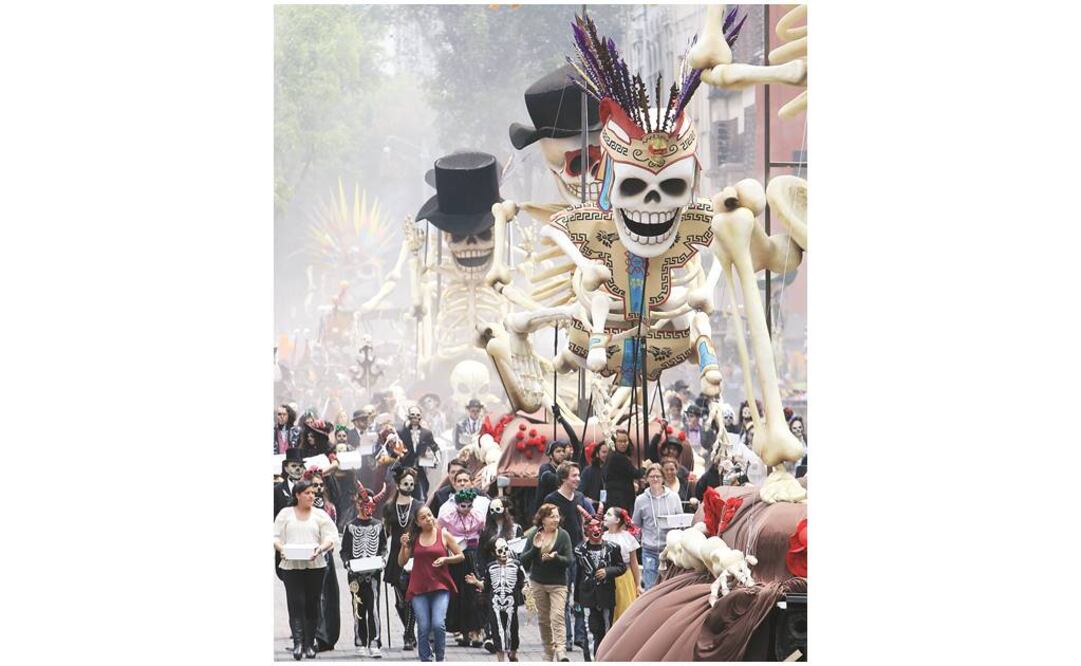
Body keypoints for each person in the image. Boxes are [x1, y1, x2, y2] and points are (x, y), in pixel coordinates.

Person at [274, 479, 339, 661]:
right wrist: (282, 550)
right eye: (307, 493)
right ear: (297, 495)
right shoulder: (285, 514)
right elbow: (275, 536)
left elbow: (331, 536)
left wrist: (321, 548)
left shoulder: (319, 515)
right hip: (292, 566)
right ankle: (298, 643)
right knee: (296, 603)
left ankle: (310, 643)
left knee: (312, 603)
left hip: (315, 564)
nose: (312, 496)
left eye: (313, 493)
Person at [399, 505, 466, 662]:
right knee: (423, 627)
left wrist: (446, 559)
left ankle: (440, 657)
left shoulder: (443, 534)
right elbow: (402, 562)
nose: (429, 519)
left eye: (430, 515)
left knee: (438, 624)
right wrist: (403, 546)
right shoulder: (414, 538)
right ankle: (425, 659)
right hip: (418, 588)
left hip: (440, 586)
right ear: (417, 522)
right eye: (423, 517)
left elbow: (460, 555)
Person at [542, 462, 593, 653]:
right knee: (562, 595)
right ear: (564, 478)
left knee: (580, 594)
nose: (578, 479)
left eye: (578, 475)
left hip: (579, 551)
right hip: (561, 553)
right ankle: (566, 637)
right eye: (574, 475)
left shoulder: (580, 498)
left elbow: (590, 521)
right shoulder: (551, 499)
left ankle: (580, 634)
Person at [340, 481, 388, 657]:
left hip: (373, 575)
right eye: (362, 503)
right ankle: (360, 641)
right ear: (357, 503)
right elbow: (344, 550)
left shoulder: (379, 525)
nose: (366, 508)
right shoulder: (350, 526)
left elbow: (383, 546)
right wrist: (347, 563)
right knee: (358, 608)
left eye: (369, 505)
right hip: (355, 576)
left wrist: (382, 560)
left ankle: (375, 642)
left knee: (373, 608)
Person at [520, 503, 573, 662]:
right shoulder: (533, 535)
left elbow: (569, 560)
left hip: (558, 584)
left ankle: (561, 650)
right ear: (542, 519)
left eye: (557, 516)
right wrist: (535, 548)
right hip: (538, 582)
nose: (556, 519)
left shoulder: (563, 535)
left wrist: (555, 557)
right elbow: (523, 561)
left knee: (557, 615)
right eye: (552, 516)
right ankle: (548, 652)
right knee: (543, 620)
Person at [572, 506, 626, 659]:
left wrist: (608, 572)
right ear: (586, 530)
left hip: (606, 596)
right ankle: (589, 659)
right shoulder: (579, 551)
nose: (595, 529)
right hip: (587, 596)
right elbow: (578, 575)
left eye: (598, 526)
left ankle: (605, 658)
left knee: (607, 630)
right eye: (591, 527)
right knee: (590, 630)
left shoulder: (613, 548)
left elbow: (622, 567)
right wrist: (576, 599)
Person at [438, 488, 487, 647]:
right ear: (457, 505)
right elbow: (439, 529)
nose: (466, 509)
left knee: (474, 593)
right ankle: (462, 631)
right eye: (463, 506)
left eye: (469, 505)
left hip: (472, 556)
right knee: (457, 593)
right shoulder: (449, 516)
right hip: (456, 557)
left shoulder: (477, 516)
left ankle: (477, 631)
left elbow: (483, 530)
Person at [382, 466, 423, 651]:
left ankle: (408, 634)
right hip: (395, 554)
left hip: (414, 554)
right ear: (398, 485)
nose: (409, 486)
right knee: (400, 599)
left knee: (411, 596)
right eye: (405, 483)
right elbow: (385, 533)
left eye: (412, 484)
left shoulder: (419, 505)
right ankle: (409, 631)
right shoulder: (389, 507)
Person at [301, 468, 341, 652]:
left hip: (324, 556)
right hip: (305, 556)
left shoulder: (328, 507)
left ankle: (325, 636)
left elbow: (332, 533)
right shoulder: (299, 507)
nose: (317, 488)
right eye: (313, 485)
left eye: (319, 485)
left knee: (325, 598)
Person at [471, 538, 525, 662]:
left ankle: (512, 652)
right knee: (496, 629)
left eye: (506, 549)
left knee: (512, 629)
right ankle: (500, 659)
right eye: (500, 550)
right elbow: (487, 586)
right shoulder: (490, 567)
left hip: (511, 603)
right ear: (494, 552)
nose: (504, 553)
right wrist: (476, 582)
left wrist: (526, 590)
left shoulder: (516, 565)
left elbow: (523, 581)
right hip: (494, 603)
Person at [632, 463, 683, 590]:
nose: (655, 479)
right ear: (647, 479)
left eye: (658, 476)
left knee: (669, 587)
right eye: (652, 476)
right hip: (649, 550)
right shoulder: (640, 500)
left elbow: (681, 522)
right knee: (651, 587)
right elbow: (636, 525)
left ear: (663, 478)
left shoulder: (674, 497)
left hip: (669, 550)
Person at [601, 507, 641, 620]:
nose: (605, 516)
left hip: (624, 577)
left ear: (617, 520)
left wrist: (637, 584)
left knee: (625, 609)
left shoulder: (627, 537)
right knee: (608, 612)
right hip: (607, 576)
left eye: (609, 514)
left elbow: (634, 562)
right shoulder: (602, 537)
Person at [398, 406, 437, 501]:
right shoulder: (401, 432)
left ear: (421, 417)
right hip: (405, 467)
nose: (415, 417)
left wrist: (434, 459)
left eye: (417, 415)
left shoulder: (426, 433)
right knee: (404, 491)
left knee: (423, 490)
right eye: (412, 415)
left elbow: (434, 447)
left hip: (420, 467)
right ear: (408, 417)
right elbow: (396, 450)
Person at [602, 427, 644, 514]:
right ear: (614, 442)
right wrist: (645, 467)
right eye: (620, 441)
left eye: (625, 441)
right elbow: (636, 474)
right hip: (620, 499)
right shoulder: (617, 457)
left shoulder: (614, 456)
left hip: (620, 498)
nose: (623, 444)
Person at [533, 440, 569, 516]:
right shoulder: (545, 468)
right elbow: (548, 477)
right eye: (558, 451)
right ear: (550, 455)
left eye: (563, 451)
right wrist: (567, 481)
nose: (562, 454)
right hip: (545, 512)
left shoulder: (563, 469)